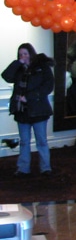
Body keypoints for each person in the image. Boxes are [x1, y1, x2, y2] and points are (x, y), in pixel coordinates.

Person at [2, 43, 55, 176]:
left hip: (38, 110)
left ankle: (45, 168)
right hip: (22, 111)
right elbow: (6, 76)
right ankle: (23, 168)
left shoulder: (42, 67)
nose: (23, 56)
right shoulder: (19, 68)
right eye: (20, 54)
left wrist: (29, 97)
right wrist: (17, 63)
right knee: (24, 142)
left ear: (31, 54)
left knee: (41, 141)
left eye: (25, 54)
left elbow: (48, 86)